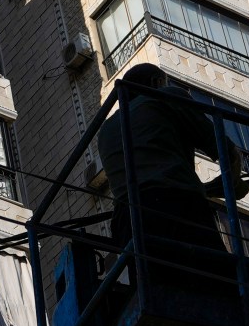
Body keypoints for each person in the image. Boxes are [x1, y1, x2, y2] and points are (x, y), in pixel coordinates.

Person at [95, 63, 241, 300]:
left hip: (126, 221)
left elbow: (148, 166)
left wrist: (205, 189)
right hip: (175, 206)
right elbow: (225, 151)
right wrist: (233, 182)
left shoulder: (106, 129)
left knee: (159, 294)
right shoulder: (165, 96)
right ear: (155, 83)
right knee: (222, 288)